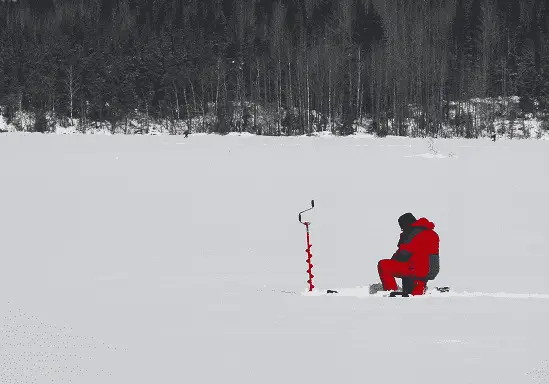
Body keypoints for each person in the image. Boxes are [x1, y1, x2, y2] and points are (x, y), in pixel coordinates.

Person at [377, 213, 440, 295]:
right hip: (430, 270)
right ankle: (419, 288)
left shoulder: (413, 233)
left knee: (383, 265)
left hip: (416, 269)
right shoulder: (431, 233)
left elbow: (404, 253)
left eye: (402, 228)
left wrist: (402, 241)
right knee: (411, 291)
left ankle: (391, 292)